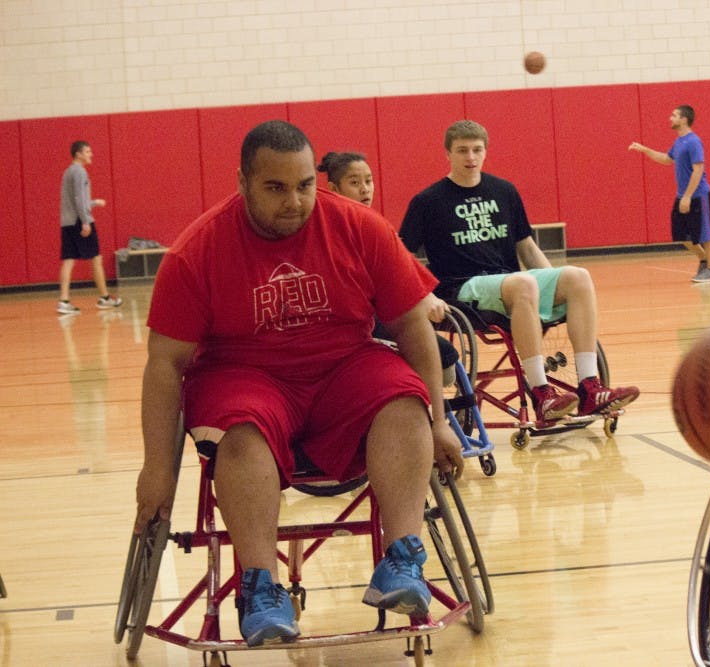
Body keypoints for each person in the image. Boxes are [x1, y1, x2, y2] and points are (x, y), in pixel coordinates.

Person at [133, 121, 464, 648]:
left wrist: (442, 420)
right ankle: (261, 588)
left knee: (403, 399)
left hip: (342, 368)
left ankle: (402, 558)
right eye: (276, 188)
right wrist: (156, 467)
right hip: (244, 375)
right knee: (239, 431)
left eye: (306, 185)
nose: (294, 201)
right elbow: (164, 363)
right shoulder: (196, 252)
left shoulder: (361, 227)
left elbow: (410, 325)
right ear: (242, 182)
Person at [399, 120, 640, 424]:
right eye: (462, 151)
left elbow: (525, 246)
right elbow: (402, 255)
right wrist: (424, 295)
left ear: (486, 152)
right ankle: (541, 393)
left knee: (578, 276)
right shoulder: (428, 201)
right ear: (447, 154)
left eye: (476, 150)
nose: (470, 157)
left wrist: (554, 284)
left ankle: (591, 388)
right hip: (462, 288)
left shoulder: (504, 191)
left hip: (511, 283)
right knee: (523, 282)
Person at [317, 150, 459, 386]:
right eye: (354, 183)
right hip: (352, 326)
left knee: (447, 362)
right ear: (333, 189)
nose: (365, 189)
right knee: (439, 359)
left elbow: (407, 269)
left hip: (384, 317)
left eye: (368, 181)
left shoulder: (377, 227)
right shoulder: (327, 233)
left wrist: (429, 296)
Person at [628, 105, 710, 283]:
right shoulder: (679, 142)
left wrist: (687, 196)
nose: (670, 118)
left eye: (674, 115)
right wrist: (644, 150)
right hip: (683, 195)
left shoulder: (693, 141)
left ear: (684, 119)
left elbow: (698, 170)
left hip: (698, 195)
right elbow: (666, 159)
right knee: (682, 235)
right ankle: (703, 259)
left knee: (705, 234)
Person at [58, 140, 122, 314]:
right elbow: (79, 199)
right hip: (80, 221)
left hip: (67, 221)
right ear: (78, 154)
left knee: (69, 260)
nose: (90, 154)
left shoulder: (68, 172)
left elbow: (76, 200)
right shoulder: (79, 172)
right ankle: (105, 298)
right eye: (87, 151)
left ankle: (63, 300)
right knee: (96, 259)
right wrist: (86, 220)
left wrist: (93, 202)